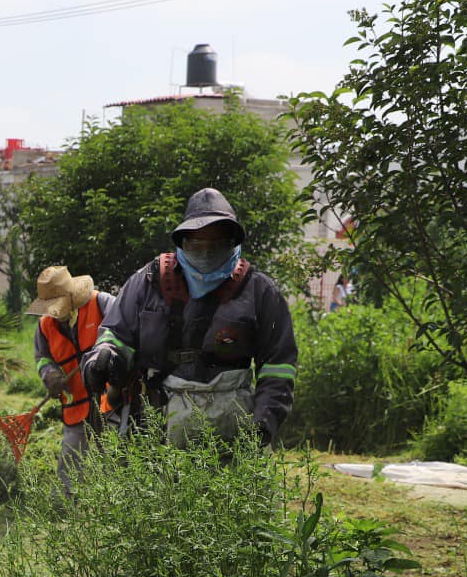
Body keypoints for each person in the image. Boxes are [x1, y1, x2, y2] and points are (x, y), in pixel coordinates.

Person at [82, 187, 297, 451]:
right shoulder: (148, 282)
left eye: (216, 244)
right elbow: (116, 335)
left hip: (232, 435)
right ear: (182, 242)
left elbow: (279, 367)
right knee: (157, 491)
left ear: (233, 242)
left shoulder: (259, 292)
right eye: (197, 244)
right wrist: (104, 357)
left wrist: (263, 424)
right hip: (155, 428)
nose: (206, 252)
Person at [26, 265, 114, 489]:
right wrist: (50, 375)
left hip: (111, 399)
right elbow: (42, 358)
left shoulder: (102, 303)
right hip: (76, 402)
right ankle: (65, 510)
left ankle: (118, 510)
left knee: (115, 457)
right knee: (70, 460)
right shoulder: (45, 325)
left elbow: (126, 332)